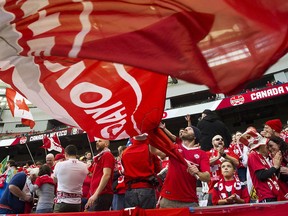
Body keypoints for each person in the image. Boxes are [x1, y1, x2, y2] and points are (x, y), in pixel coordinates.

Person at [159, 126, 210, 208]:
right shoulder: (175, 147)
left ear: (195, 136)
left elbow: (207, 177)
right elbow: (157, 152)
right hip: (168, 199)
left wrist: (197, 172)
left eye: (190, 129)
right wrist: (150, 138)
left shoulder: (202, 154)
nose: (185, 129)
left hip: (189, 202)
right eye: (185, 128)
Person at [121, 134, 161, 209]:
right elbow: (158, 169)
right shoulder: (150, 150)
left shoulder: (125, 152)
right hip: (146, 188)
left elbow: (124, 170)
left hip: (130, 190)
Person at [243, 130, 282, 202]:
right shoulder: (253, 155)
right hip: (266, 196)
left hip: (273, 194)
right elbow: (261, 175)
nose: (268, 147)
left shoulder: (263, 158)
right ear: (260, 146)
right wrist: (275, 167)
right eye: (266, 145)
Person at [53, 145, 88, 212]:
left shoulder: (59, 164)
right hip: (77, 202)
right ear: (76, 154)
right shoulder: (84, 166)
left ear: (65, 154)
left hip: (62, 201)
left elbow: (54, 180)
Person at [85, 139, 115, 211]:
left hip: (102, 194)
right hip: (98, 194)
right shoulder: (101, 156)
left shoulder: (107, 155)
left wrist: (95, 194)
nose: (97, 142)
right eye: (97, 141)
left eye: (100, 141)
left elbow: (106, 175)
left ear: (106, 144)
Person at [112, 145, 127, 210]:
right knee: (118, 212)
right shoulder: (115, 164)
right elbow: (110, 176)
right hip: (118, 192)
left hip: (130, 191)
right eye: (123, 153)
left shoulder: (132, 163)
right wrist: (120, 172)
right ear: (120, 154)